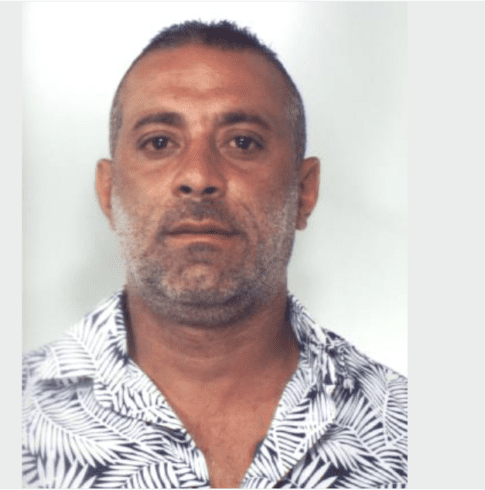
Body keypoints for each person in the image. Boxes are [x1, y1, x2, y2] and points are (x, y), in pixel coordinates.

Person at [22, 20, 407, 489]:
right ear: (109, 192)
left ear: (304, 192)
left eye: (242, 142)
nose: (199, 176)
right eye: (159, 142)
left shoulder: (405, 433)